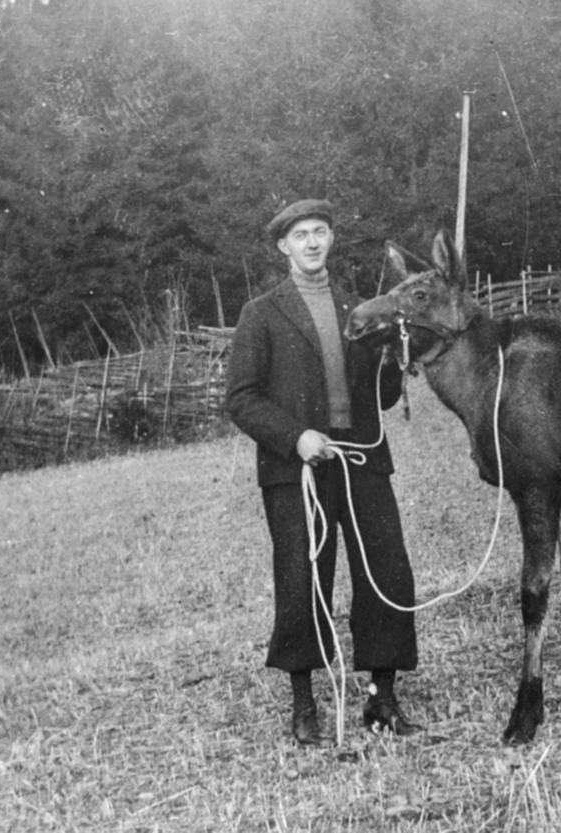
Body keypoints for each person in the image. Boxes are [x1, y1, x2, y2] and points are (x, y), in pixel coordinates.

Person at [226, 198, 422, 745]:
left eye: (320, 233)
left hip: (361, 462)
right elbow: (241, 399)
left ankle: (383, 699)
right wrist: (296, 438)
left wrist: (393, 355)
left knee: (387, 572)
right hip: (298, 472)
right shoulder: (261, 314)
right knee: (302, 578)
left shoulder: (359, 312)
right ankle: (304, 705)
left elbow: (381, 399)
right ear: (283, 247)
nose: (312, 243)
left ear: (331, 239)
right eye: (301, 236)